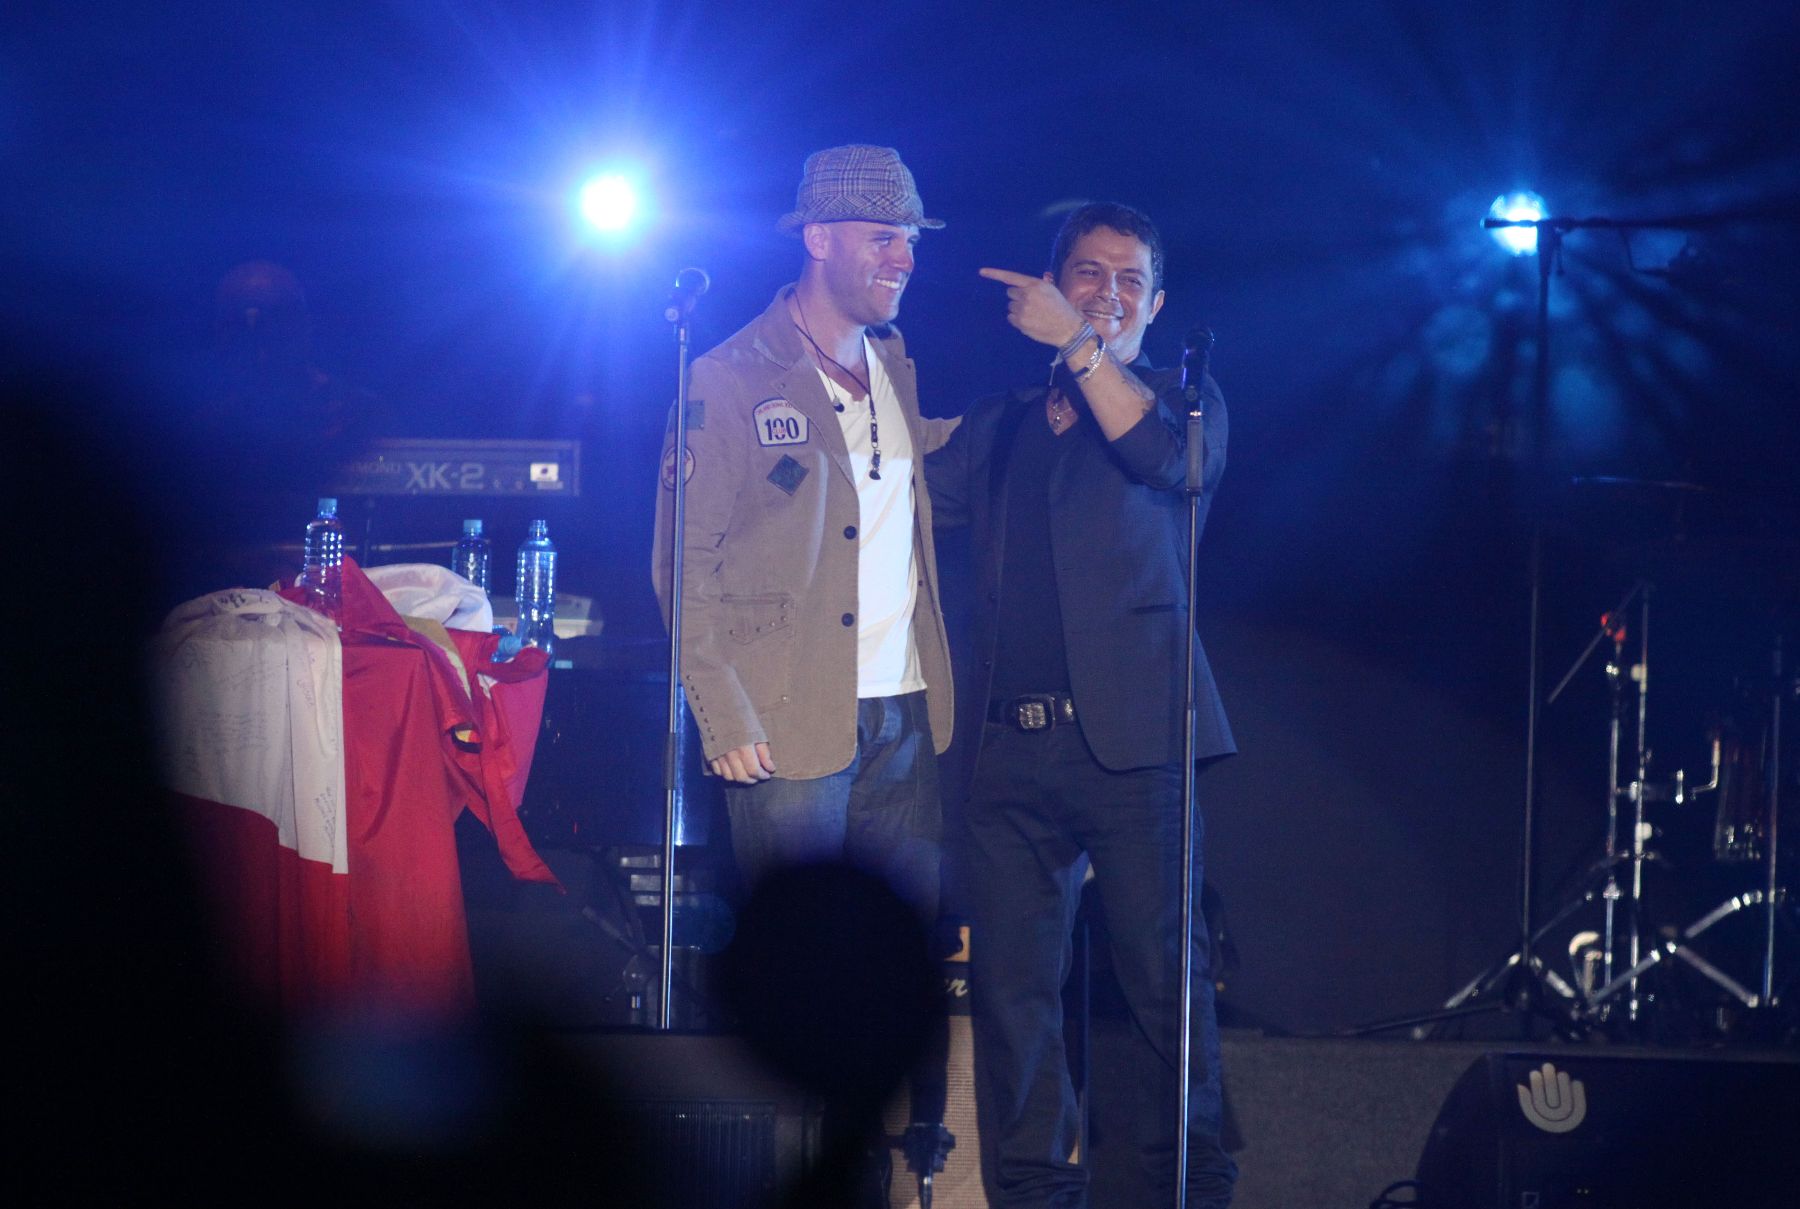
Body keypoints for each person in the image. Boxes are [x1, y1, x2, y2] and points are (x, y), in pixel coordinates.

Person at [651, 144, 959, 1196]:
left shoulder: (894, 363)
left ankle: (874, 1174)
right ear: (817, 237)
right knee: (799, 985)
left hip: (904, 715)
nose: (903, 256)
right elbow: (681, 562)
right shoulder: (728, 376)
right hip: (786, 718)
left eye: (910, 238)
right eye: (883, 236)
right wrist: (721, 704)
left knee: (888, 984)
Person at [926, 202, 1236, 1208]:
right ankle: (1029, 1194)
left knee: (1161, 988)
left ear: (1154, 303)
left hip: (1136, 746)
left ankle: (1183, 1190)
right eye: (1087, 275)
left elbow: (1170, 467)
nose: (1108, 294)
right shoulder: (1003, 423)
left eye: (1128, 280)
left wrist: (1085, 352)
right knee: (1014, 1000)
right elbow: (899, 498)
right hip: (1006, 756)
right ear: (1056, 285)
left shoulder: (1183, 406)